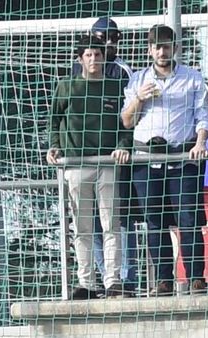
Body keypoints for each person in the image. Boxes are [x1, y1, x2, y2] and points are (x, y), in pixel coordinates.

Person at [122, 24, 208, 296]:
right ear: (149, 50)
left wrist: (200, 142)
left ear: (175, 48)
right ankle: (163, 279)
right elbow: (126, 121)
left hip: (182, 158)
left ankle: (196, 277)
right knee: (154, 220)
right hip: (147, 161)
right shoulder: (137, 80)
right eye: (157, 46)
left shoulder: (192, 78)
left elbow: (203, 116)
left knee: (188, 219)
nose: (162, 51)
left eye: (167, 45)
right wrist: (139, 99)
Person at [49, 36, 133, 300]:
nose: (94, 60)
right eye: (89, 55)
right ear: (80, 58)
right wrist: (54, 147)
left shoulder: (115, 86)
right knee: (82, 227)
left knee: (111, 224)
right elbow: (54, 120)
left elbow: (125, 124)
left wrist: (122, 145)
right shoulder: (66, 86)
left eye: (98, 55)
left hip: (106, 164)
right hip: (76, 164)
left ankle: (113, 281)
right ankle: (85, 282)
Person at [84, 17, 140, 291]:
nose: (108, 43)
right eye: (102, 37)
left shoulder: (122, 72)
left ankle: (125, 278)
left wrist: (123, 144)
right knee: (90, 221)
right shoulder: (76, 73)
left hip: (115, 160)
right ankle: (103, 276)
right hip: (84, 159)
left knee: (118, 218)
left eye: (113, 38)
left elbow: (129, 118)